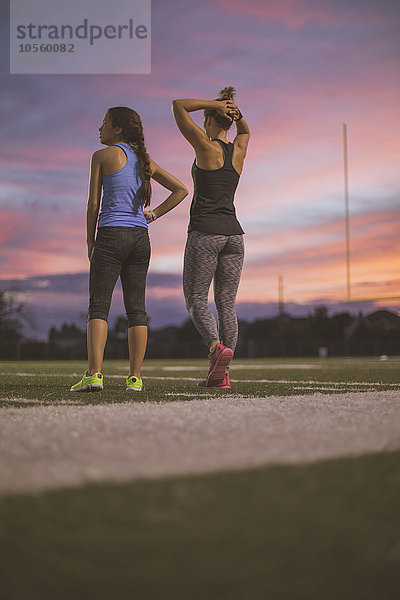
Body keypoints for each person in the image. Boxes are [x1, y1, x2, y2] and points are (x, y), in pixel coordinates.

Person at [70, 106, 188, 392]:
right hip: (140, 237)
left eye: (105, 123)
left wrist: (90, 241)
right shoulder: (145, 160)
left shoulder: (101, 156)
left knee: (99, 306)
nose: (100, 129)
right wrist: (154, 214)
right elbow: (182, 189)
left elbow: (93, 205)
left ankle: (95, 375)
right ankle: (135, 378)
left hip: (110, 235)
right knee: (137, 310)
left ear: (118, 129)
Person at [172, 87, 250, 389]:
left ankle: (216, 346)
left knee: (195, 300)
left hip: (205, 233)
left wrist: (215, 104)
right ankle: (222, 374)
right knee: (227, 303)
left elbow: (178, 105)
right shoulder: (238, 151)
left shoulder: (205, 146)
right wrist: (235, 111)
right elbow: (245, 129)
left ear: (209, 120)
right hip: (235, 236)